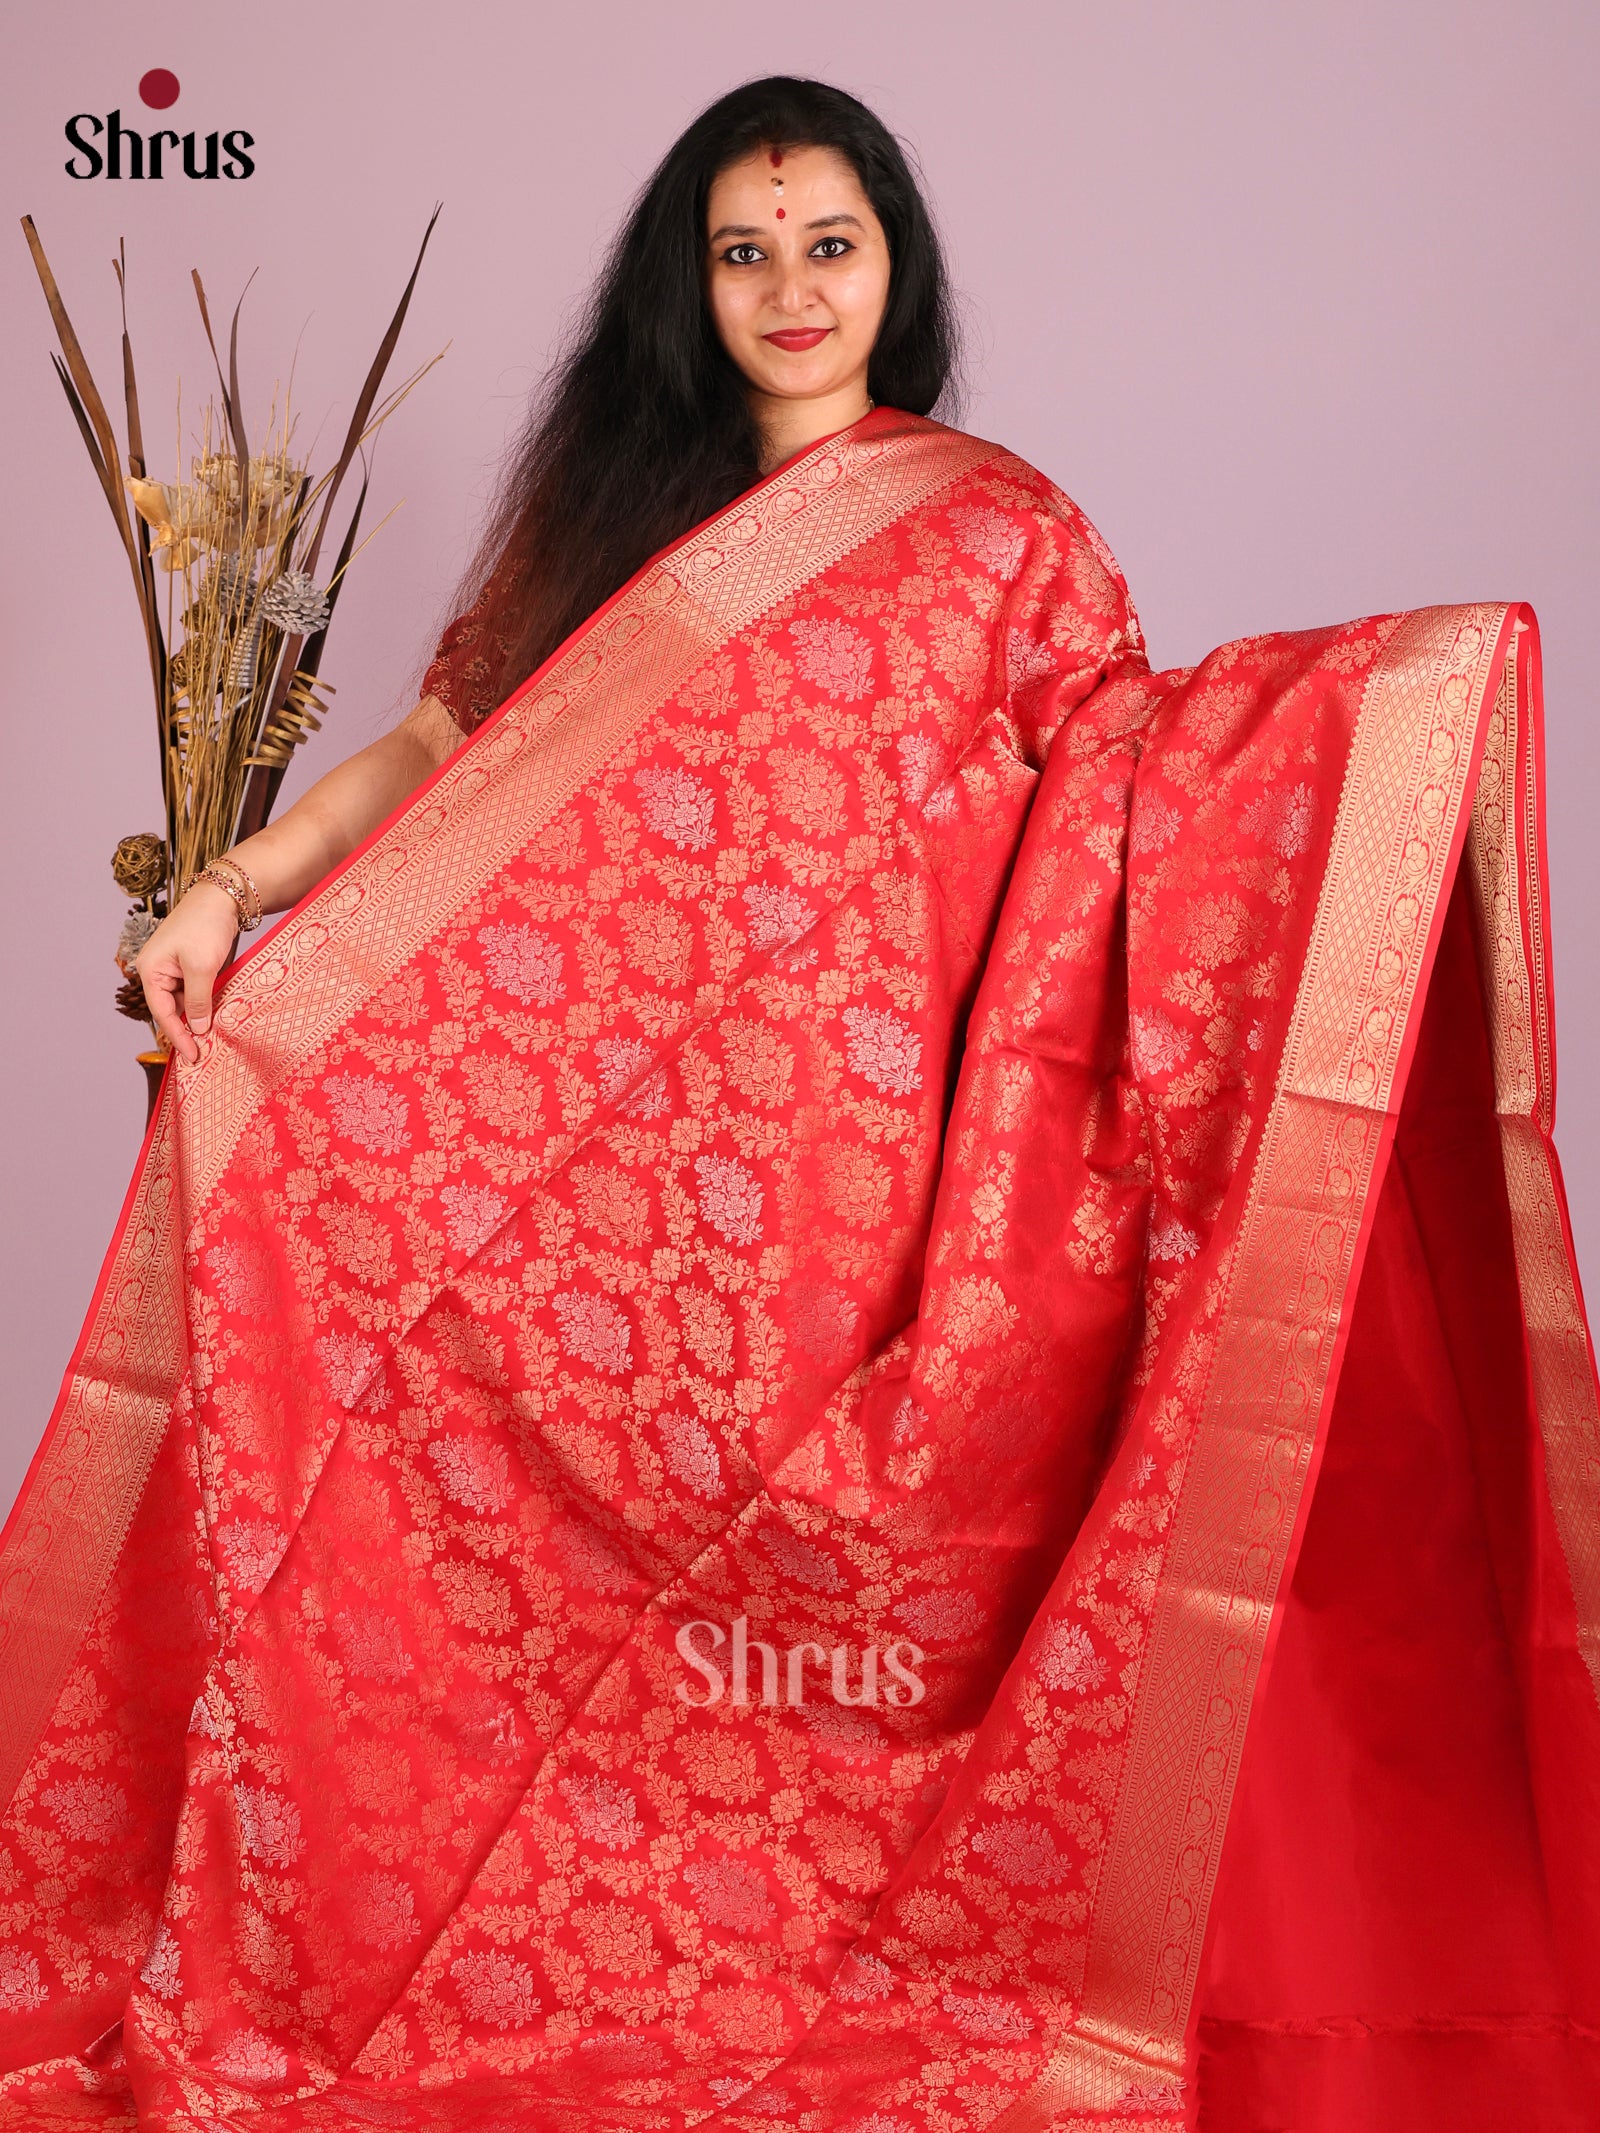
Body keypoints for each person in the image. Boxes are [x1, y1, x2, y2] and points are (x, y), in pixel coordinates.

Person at [1, 75, 1596, 2133]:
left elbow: (1118, 778)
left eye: (826, 245)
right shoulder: (614, 528)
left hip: (862, 1186)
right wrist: (230, 890)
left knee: (823, 1599)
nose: (786, 288)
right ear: (690, 283)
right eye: (741, 251)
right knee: (345, 1278)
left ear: (891, 270)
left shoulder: (994, 529)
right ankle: (385, 1932)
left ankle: (791, 1965)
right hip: (591, 1181)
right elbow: (439, 746)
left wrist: (1371, 715)